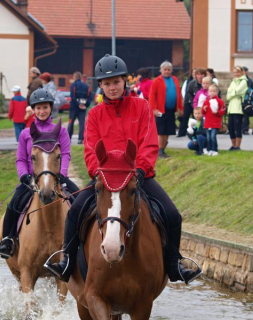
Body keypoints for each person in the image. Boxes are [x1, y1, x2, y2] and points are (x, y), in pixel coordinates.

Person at [44, 54, 201, 285]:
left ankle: (173, 263)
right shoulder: (95, 114)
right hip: (105, 178)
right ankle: (67, 260)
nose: (112, 87)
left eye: (116, 82)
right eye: (107, 84)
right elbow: (90, 149)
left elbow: (149, 142)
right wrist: (97, 172)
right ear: (101, 86)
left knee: (172, 215)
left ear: (125, 81)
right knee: (75, 211)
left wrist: (141, 169)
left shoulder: (142, 106)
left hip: (137, 176)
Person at [0, 88, 79, 259]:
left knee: (78, 200)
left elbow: (65, 154)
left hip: (56, 178)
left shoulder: (61, 131)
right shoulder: (26, 134)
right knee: (13, 204)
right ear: (33, 110)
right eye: (38, 108)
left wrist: (62, 174)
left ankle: (81, 241)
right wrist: (24, 176)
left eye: (45, 108)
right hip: (32, 180)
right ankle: (8, 239)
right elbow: (20, 159)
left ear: (50, 108)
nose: (42, 111)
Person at [149, 61, 183, 158]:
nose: (167, 71)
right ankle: (159, 150)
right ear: (161, 70)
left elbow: (179, 94)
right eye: (165, 70)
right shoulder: (157, 80)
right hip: (160, 110)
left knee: (168, 130)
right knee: (161, 131)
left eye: (169, 70)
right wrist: (154, 109)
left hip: (171, 110)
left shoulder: (175, 79)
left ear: (171, 70)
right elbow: (152, 95)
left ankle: (163, 149)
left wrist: (181, 107)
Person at [178, 68, 207, 137]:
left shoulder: (207, 83)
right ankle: (182, 132)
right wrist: (193, 102)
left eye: (202, 74)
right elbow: (188, 93)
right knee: (185, 117)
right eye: (198, 74)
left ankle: (200, 133)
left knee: (199, 118)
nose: (200, 76)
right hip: (190, 102)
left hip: (203, 104)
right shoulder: (191, 83)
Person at [226, 66, 248, 150]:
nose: (236, 74)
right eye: (234, 72)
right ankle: (233, 144)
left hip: (238, 108)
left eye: (237, 72)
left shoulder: (243, 81)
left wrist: (232, 93)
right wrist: (233, 93)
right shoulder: (233, 82)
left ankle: (238, 146)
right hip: (231, 108)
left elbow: (238, 91)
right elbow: (228, 95)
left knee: (237, 127)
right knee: (230, 127)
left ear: (241, 72)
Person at [68, 71, 92, 144]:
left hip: (74, 107)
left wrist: (78, 104)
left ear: (74, 77)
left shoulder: (73, 85)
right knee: (82, 123)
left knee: (71, 122)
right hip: (83, 107)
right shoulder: (86, 86)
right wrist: (86, 105)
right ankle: (80, 139)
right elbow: (90, 96)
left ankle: (68, 138)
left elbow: (72, 96)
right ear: (81, 77)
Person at [202, 84, 226, 156]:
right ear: (208, 92)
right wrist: (204, 109)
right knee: (208, 137)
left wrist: (217, 112)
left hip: (215, 123)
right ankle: (209, 150)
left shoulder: (220, 101)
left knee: (213, 136)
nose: (212, 93)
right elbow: (203, 112)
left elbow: (223, 111)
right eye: (210, 91)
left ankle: (215, 149)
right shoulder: (206, 101)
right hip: (208, 123)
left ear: (217, 92)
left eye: (214, 91)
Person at [242, 66, 253, 135]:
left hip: (247, 99)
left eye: (245, 71)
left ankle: (245, 129)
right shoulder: (240, 80)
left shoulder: (249, 81)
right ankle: (242, 128)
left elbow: (252, 90)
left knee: (246, 115)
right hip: (242, 99)